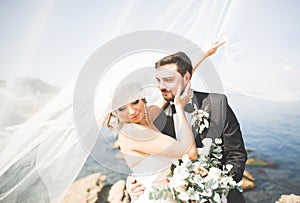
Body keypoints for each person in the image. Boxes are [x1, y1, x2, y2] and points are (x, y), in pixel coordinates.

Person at [127, 43, 248, 203]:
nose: (161, 87)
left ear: (186, 78)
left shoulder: (217, 104)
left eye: (168, 80)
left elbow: (236, 155)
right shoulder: (154, 116)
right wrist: (134, 180)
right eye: (158, 80)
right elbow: (146, 158)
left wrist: (217, 179)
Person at [105, 81, 197, 202]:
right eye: (122, 108)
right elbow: (190, 152)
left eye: (135, 102)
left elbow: (175, 82)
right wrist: (179, 107)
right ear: (115, 112)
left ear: (143, 99)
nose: (132, 112)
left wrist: (190, 67)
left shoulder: (146, 116)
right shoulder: (132, 132)